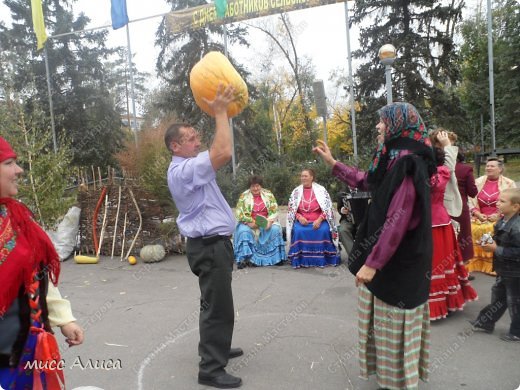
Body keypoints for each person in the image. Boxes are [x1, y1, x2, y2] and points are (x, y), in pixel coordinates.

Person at [314, 102, 434, 390]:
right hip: (387, 256)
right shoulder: (392, 158)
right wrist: (334, 164)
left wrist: (372, 263)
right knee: (384, 323)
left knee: (394, 322)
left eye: (383, 122)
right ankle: (391, 378)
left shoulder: (408, 163)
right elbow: (367, 181)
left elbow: (398, 220)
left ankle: (398, 382)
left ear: (397, 125)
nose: (379, 127)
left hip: (399, 262)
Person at [165, 85, 243, 389]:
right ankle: (211, 369)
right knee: (217, 307)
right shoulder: (183, 171)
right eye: (192, 139)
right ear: (175, 146)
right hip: (209, 248)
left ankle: (217, 347)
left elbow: (216, 150)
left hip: (212, 246)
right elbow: (222, 151)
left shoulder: (190, 167)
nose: (198, 142)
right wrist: (221, 111)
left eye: (198, 137)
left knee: (216, 303)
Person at [0, 136, 84, 389]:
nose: (19, 170)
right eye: (9, 163)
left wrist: (63, 318)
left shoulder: (18, 217)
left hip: (29, 344)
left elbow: (38, 275)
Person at [428, 132, 477, 320]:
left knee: (435, 264)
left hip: (433, 224)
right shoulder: (442, 172)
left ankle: (436, 304)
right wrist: (447, 144)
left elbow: (448, 162)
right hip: (441, 223)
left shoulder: (432, 174)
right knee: (442, 263)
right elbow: (448, 162)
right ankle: (446, 301)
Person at [469, 188, 520, 342]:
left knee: (515, 302)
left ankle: (517, 332)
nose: (497, 203)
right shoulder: (503, 220)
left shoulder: (517, 228)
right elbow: (496, 237)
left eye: (502, 201)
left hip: (515, 273)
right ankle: (486, 322)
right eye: (498, 200)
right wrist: (486, 242)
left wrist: (496, 249)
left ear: (515, 207)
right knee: (498, 297)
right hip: (503, 270)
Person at [467, 158, 517, 275]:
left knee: (493, 228)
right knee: (470, 228)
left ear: (500, 169)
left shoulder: (509, 183)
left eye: (492, 166)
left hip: (501, 218)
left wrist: (499, 215)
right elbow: (469, 199)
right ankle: (476, 263)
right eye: (487, 166)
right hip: (479, 217)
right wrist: (477, 213)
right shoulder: (477, 182)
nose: (488, 168)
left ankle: (494, 265)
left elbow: (514, 202)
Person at [286, 168, 340, 268]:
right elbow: (291, 210)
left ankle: (323, 259)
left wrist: (319, 219)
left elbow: (328, 208)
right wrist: (299, 217)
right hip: (302, 221)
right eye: (302, 176)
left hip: (319, 220)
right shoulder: (296, 192)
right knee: (298, 231)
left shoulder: (321, 190)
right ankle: (300, 260)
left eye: (305, 176)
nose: (303, 178)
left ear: (312, 177)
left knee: (324, 230)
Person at [233, 175, 286, 268]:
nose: (255, 188)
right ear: (249, 187)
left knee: (275, 229)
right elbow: (239, 212)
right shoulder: (243, 196)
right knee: (243, 232)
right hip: (249, 223)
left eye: (257, 186)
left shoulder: (268, 194)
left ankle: (274, 259)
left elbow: (274, 210)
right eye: (253, 186)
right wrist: (250, 222)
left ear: (261, 185)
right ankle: (245, 259)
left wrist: (269, 221)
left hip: (266, 222)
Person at [453, 149, 478, 263]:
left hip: (442, 208)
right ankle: (463, 270)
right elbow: (472, 192)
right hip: (460, 207)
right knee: (463, 236)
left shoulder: (437, 168)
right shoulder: (465, 169)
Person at [336, 186, 370, 256]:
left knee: (363, 229)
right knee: (342, 230)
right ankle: (354, 256)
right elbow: (339, 208)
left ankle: (364, 255)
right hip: (347, 219)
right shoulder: (342, 192)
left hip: (362, 220)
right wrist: (342, 210)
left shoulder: (364, 190)